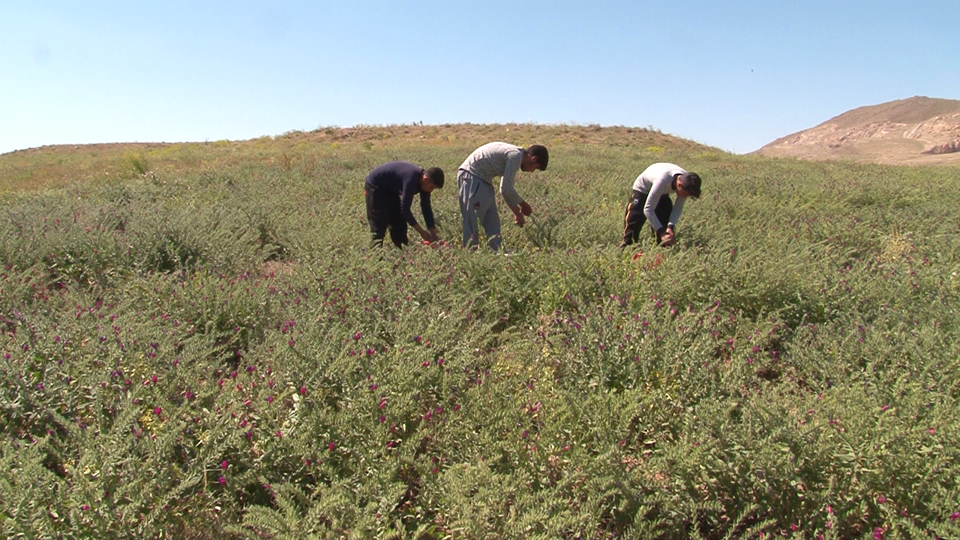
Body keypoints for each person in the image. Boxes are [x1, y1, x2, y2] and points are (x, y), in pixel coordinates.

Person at [457, 142, 549, 251]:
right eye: (535, 168)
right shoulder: (515, 156)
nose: (532, 171)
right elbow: (507, 188)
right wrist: (524, 205)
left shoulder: (515, 155)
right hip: (472, 176)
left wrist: (517, 212)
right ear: (533, 159)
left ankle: (498, 252)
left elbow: (504, 189)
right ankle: (470, 255)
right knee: (472, 221)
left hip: (485, 181)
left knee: (493, 223)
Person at [619, 163, 701, 248]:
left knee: (663, 224)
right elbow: (648, 209)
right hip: (642, 189)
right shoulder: (662, 181)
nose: (685, 197)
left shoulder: (687, 182)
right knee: (633, 226)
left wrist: (670, 227)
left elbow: (678, 208)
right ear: (679, 185)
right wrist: (662, 233)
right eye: (686, 194)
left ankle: (659, 253)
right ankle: (626, 250)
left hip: (661, 192)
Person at [364, 161, 444, 248]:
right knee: (379, 226)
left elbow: (426, 208)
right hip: (375, 187)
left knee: (399, 224)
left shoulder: (425, 183)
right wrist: (421, 232)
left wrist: (433, 234)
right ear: (426, 180)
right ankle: (375, 255)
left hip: (391, 190)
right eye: (432, 187)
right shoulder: (411, 179)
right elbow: (405, 210)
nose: (431, 190)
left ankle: (402, 252)